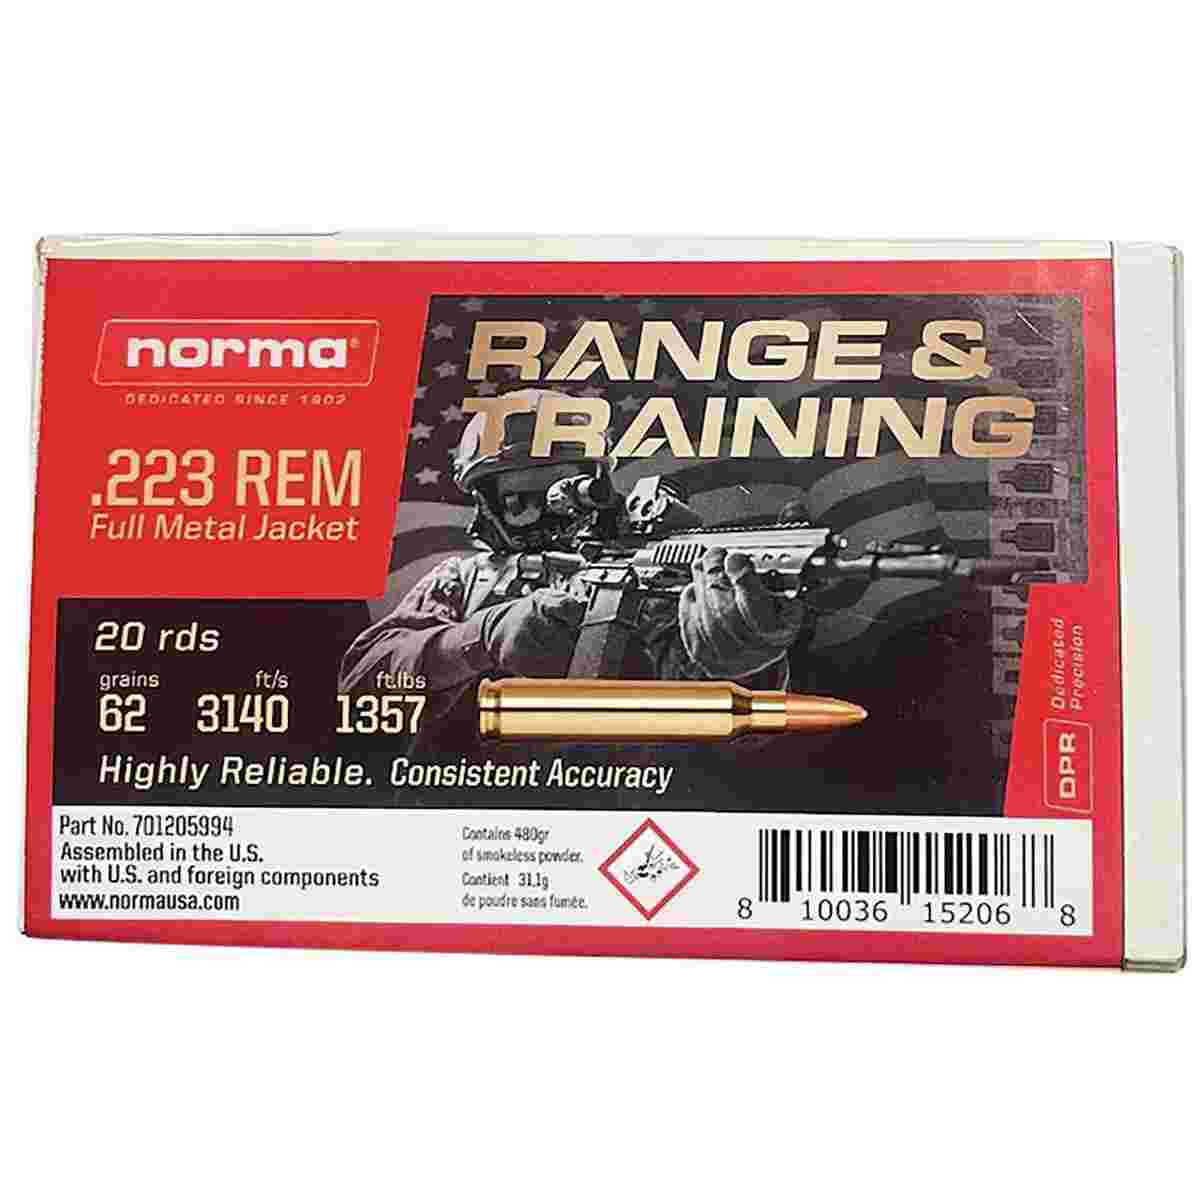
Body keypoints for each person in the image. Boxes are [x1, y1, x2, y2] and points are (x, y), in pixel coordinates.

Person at [339, 389, 817, 752]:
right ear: (487, 509)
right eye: (520, 502)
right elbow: (361, 688)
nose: (552, 515)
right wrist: (480, 637)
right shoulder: (464, 581)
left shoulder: (646, 576)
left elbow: (728, 726)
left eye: (570, 491)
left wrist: (748, 663)